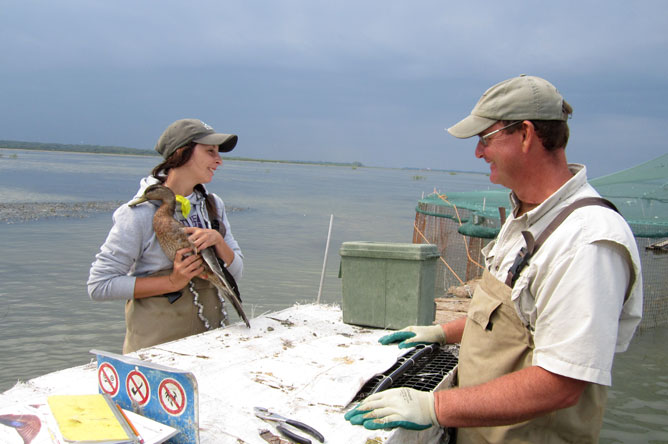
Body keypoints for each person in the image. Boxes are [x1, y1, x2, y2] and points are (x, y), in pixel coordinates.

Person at [345, 75, 643, 443]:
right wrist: (442, 333)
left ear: (526, 135)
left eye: (485, 139)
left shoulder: (586, 242)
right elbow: (506, 320)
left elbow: (562, 383)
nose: (478, 153)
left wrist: (434, 408)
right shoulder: (524, 218)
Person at [88, 118, 244, 353]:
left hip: (212, 347)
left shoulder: (213, 206)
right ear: (181, 153)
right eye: (210, 151)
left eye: (218, 153)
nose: (219, 160)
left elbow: (237, 274)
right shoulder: (138, 214)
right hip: (157, 354)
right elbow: (99, 286)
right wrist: (172, 282)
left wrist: (218, 242)